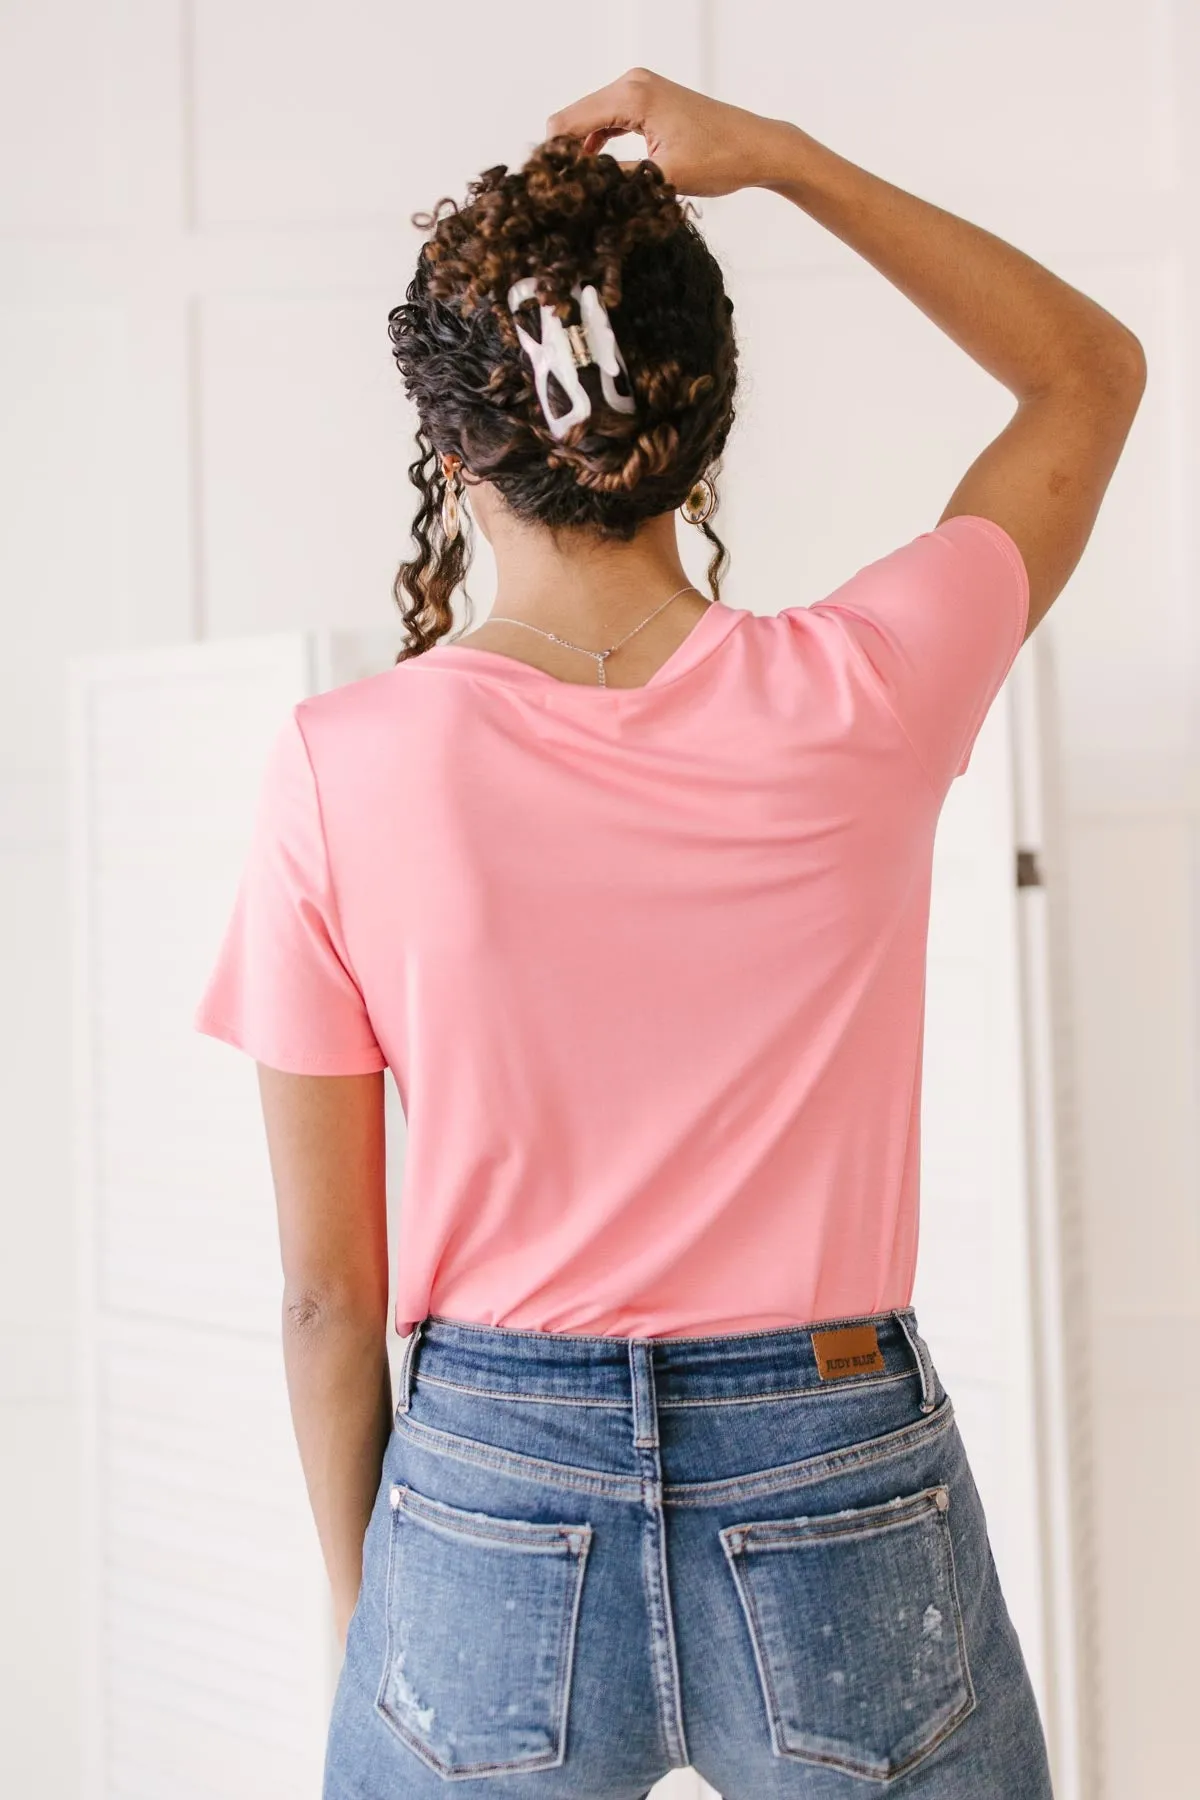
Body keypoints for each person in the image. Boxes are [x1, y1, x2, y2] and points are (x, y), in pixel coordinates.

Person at [193, 67, 1145, 1800]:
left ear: (451, 447)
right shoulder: (868, 689)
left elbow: (333, 1303)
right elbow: (1091, 371)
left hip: (487, 1488)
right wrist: (781, 163)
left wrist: (382, 1623)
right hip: (839, 1461)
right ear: (697, 427)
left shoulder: (344, 766)